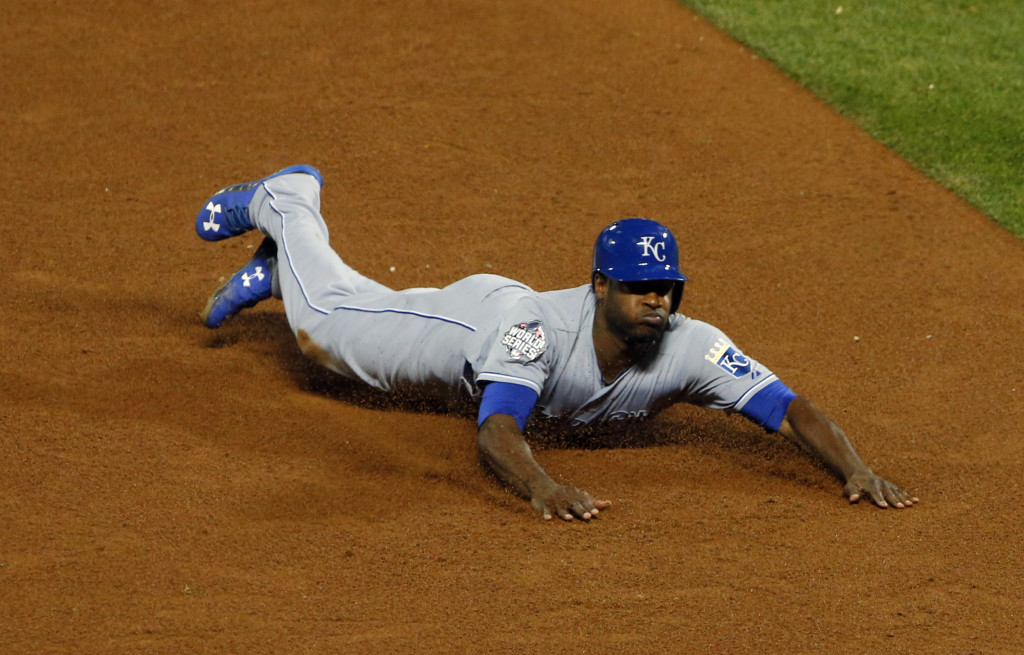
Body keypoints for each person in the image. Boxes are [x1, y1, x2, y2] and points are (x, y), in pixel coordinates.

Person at [195, 165, 918, 521]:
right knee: (328, 333)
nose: (657, 301)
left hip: (509, 327)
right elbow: (498, 425)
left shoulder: (692, 346)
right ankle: (287, 201)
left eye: (666, 288)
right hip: (484, 322)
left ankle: (276, 272)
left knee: (347, 310)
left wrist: (852, 468)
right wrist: (543, 484)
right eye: (640, 288)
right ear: (600, 285)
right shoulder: (536, 331)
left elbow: (789, 408)